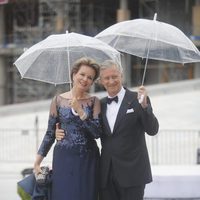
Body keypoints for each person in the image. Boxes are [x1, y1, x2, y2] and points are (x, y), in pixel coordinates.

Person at [56, 60, 159, 200]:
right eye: (107, 78)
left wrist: (145, 107)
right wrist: (62, 133)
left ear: (121, 76)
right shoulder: (100, 104)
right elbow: (91, 131)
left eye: (114, 76)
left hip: (133, 174)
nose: (111, 81)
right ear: (101, 81)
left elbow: (152, 130)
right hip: (106, 175)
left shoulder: (138, 99)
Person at [33, 57, 102, 200]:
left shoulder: (94, 101)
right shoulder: (58, 100)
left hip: (87, 159)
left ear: (92, 82)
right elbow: (50, 133)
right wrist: (37, 161)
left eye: (90, 77)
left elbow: (97, 132)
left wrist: (81, 112)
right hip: (64, 158)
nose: (85, 79)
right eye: (82, 74)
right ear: (74, 74)